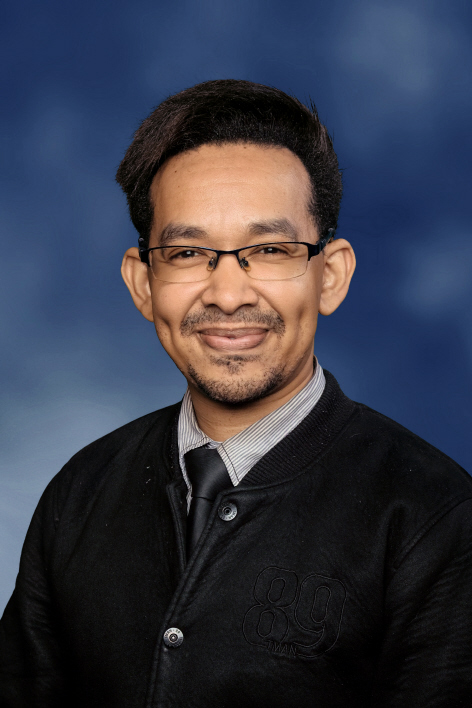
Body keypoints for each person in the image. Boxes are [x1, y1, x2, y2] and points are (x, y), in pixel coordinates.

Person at [1, 79, 471, 708]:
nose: (227, 295)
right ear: (143, 284)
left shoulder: (437, 518)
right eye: (188, 252)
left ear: (330, 276)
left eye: (270, 249)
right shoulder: (80, 492)